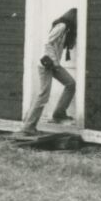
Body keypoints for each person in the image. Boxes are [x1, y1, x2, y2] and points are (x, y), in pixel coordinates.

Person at [19, 7, 78, 136]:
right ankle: (28, 127)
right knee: (43, 95)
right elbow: (48, 43)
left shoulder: (67, 29)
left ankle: (59, 113)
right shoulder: (62, 26)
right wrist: (55, 63)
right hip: (46, 65)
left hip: (53, 65)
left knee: (71, 84)